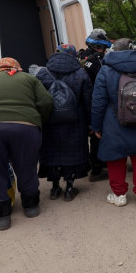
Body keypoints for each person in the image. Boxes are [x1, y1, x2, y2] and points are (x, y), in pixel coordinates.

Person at [0, 57, 53, 230]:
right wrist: (36, 121)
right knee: (27, 166)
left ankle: (1, 218)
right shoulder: (30, 79)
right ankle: (31, 207)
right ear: (18, 68)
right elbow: (46, 102)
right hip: (25, 128)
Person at [91, 38, 136, 208]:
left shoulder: (105, 71)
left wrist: (96, 126)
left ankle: (119, 195)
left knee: (115, 158)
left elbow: (98, 102)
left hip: (114, 122)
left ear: (113, 51)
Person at [35, 43, 93, 201]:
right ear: (73, 55)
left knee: (52, 151)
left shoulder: (42, 72)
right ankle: (69, 187)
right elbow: (88, 101)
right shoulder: (81, 73)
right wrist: (91, 123)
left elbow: (36, 99)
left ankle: (54, 188)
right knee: (71, 153)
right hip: (75, 121)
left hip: (49, 121)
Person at [79, 28, 112, 181]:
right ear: (101, 46)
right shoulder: (95, 61)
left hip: (85, 104)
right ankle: (97, 170)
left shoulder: (82, 59)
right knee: (97, 135)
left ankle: (98, 166)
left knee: (95, 135)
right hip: (95, 104)